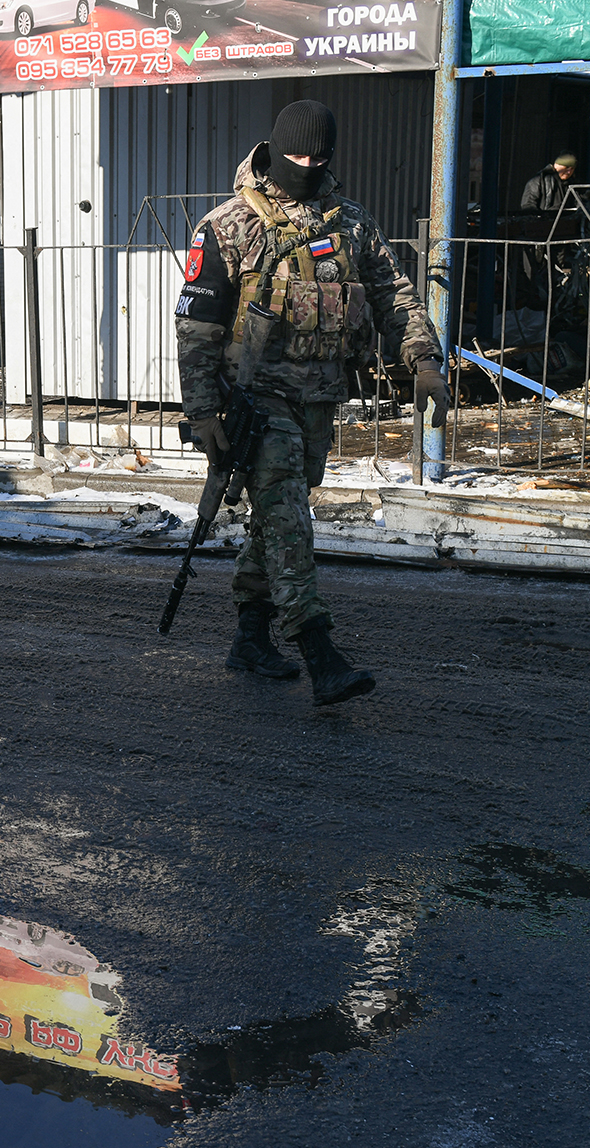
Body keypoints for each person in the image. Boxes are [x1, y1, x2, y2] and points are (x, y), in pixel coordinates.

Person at [173, 100, 447, 706]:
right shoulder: (226, 226)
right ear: (273, 151)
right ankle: (318, 650)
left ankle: (250, 636)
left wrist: (422, 357)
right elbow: (197, 328)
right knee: (290, 515)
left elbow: (392, 293)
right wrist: (202, 413)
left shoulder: (349, 222)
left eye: (319, 157)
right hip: (254, 398)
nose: (308, 165)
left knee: (277, 516)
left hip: (319, 396)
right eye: (297, 155)